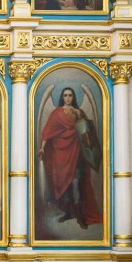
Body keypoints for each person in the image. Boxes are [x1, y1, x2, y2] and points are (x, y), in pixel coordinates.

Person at [38, 87, 102, 229]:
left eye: (70, 95)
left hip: (75, 152)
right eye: (65, 95)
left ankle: (79, 215)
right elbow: (47, 132)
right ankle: (68, 212)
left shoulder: (79, 112)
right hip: (60, 154)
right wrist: (42, 147)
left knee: (75, 182)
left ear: (73, 97)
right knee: (63, 183)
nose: (68, 98)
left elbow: (86, 131)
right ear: (62, 97)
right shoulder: (56, 113)